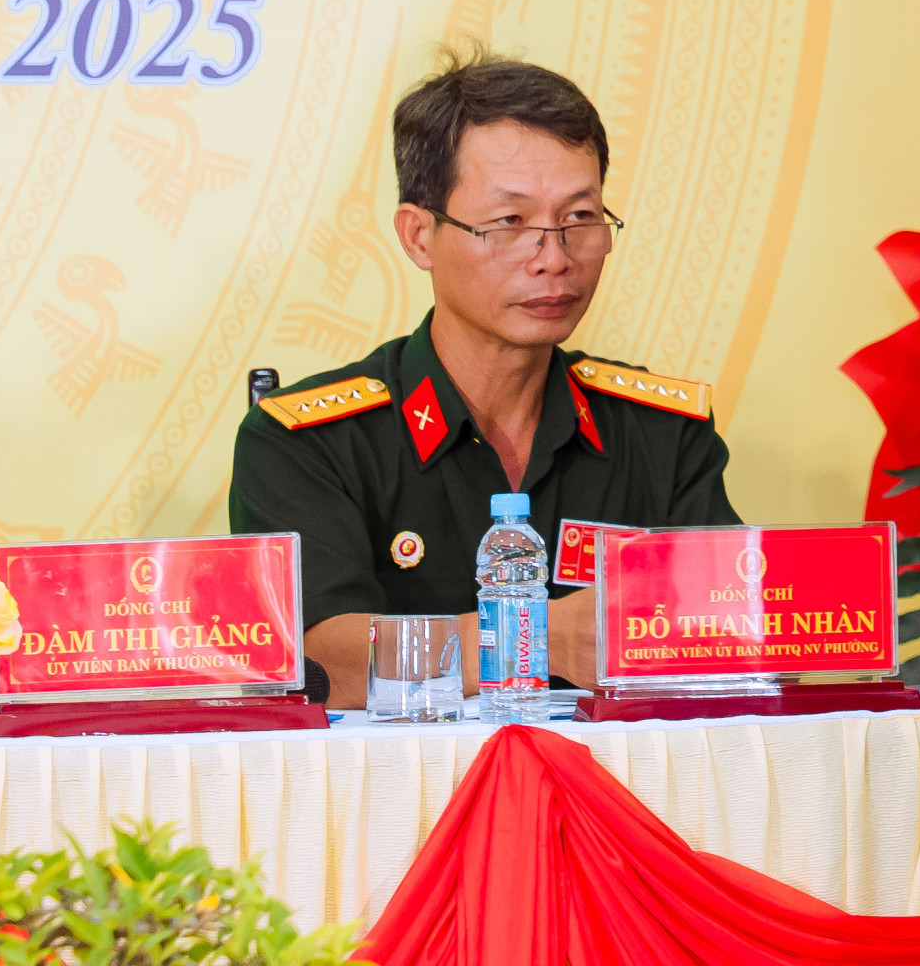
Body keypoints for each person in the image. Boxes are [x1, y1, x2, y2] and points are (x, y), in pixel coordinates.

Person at [229, 50, 739, 708]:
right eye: (509, 223)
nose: (553, 257)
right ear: (419, 236)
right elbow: (321, 661)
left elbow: (730, 625)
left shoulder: (662, 434)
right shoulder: (307, 441)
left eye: (580, 218)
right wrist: (538, 637)